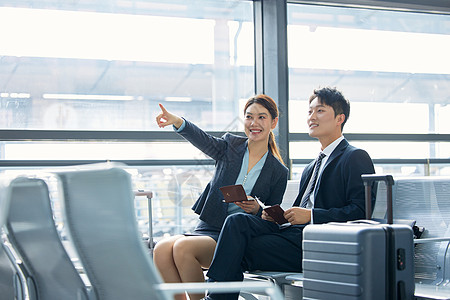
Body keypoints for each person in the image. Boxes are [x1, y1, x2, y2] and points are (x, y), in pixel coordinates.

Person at [204, 87, 376, 300]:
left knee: (235, 250)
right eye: (310, 112)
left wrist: (312, 216)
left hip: (317, 243)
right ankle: (216, 296)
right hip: (293, 235)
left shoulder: (355, 157)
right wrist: (273, 214)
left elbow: (361, 212)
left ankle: (215, 297)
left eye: (320, 111)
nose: (311, 117)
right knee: (237, 221)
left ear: (340, 118)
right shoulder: (312, 166)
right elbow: (297, 214)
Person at [154, 94, 289, 300]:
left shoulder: (278, 170)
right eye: (249, 117)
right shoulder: (231, 146)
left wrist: (257, 209)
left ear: (274, 122)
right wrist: (178, 122)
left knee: (183, 248)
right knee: (162, 248)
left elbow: (273, 220)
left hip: (233, 236)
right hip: (208, 227)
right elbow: (203, 140)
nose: (254, 123)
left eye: (262, 117)